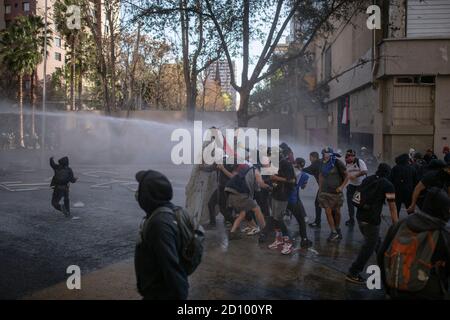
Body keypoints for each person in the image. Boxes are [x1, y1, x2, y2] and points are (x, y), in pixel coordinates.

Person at [377, 187, 450, 299]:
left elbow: (381, 254)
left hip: (397, 288)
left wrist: (388, 286)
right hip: (426, 290)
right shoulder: (443, 235)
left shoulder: (400, 225)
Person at [134, 170, 189, 300]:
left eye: (140, 189)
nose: (137, 193)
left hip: (161, 294)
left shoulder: (159, 223)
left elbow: (172, 267)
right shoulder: (168, 211)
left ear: (148, 195)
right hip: (157, 291)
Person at [345, 163, 398, 284]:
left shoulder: (368, 179)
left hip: (360, 217)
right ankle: (353, 272)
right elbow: (392, 206)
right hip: (372, 220)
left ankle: (385, 265)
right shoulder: (388, 185)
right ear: (388, 173)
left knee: (376, 242)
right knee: (369, 247)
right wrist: (396, 224)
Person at [225, 162, 271, 240]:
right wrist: (270, 187)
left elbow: (256, 187)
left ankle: (232, 232)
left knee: (243, 213)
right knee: (257, 210)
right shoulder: (256, 171)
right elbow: (261, 184)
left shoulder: (245, 170)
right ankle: (265, 230)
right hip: (240, 195)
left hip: (230, 193)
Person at [318, 147, 348, 242]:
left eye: (327, 154)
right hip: (325, 192)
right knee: (328, 211)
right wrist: (320, 188)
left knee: (337, 211)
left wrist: (342, 187)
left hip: (336, 192)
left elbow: (347, 176)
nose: (325, 155)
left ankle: (337, 228)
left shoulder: (337, 163)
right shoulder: (322, 163)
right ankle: (333, 231)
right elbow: (321, 175)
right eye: (324, 153)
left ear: (331, 154)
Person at [283, 158, 313, 254]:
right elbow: (303, 187)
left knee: (278, 219)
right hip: (292, 199)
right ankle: (304, 240)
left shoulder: (287, 170)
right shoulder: (304, 175)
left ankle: (279, 237)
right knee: (301, 220)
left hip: (281, 198)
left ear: (295, 163)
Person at [267, 159, 297, 251]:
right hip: (275, 194)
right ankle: (278, 240)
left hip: (283, 195)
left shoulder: (286, 164)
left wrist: (277, 178)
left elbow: (292, 180)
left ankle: (288, 242)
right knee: (275, 218)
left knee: (279, 219)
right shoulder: (273, 164)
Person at [344, 149, 368, 227]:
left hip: (360, 186)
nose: (350, 158)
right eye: (348, 156)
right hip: (351, 185)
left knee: (359, 203)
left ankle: (362, 219)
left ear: (354, 156)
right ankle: (351, 219)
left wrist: (355, 175)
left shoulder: (359, 161)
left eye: (352, 156)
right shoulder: (345, 163)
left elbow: (365, 171)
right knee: (350, 203)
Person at [304, 151, 323, 228]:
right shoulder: (320, 162)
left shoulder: (316, 163)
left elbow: (307, 169)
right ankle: (318, 222)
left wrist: (298, 168)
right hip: (326, 186)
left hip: (323, 187)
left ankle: (317, 223)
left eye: (310, 158)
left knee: (318, 204)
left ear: (314, 157)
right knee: (320, 204)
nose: (309, 159)